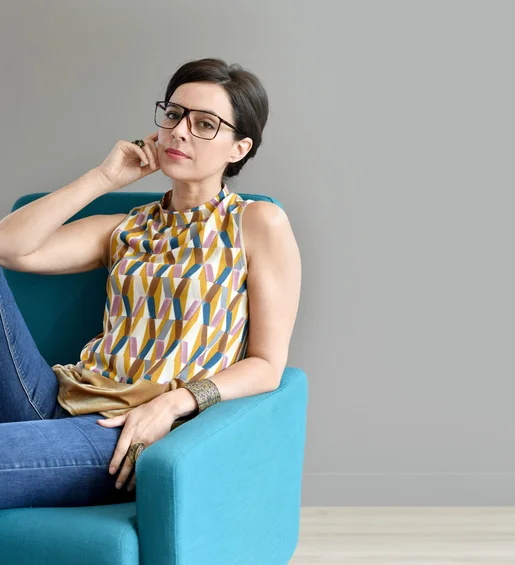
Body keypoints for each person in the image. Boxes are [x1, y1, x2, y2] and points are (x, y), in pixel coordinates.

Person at [0, 57, 301, 509]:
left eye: (205, 124)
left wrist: (174, 404)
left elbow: (266, 364)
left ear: (238, 148)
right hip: (55, 397)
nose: (179, 131)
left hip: (127, 430)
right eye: (174, 115)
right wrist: (104, 177)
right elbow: (9, 246)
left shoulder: (257, 223)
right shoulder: (125, 227)